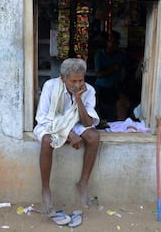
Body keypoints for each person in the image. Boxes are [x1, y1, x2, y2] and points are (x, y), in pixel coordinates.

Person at [33, 58, 100, 215]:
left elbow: (88, 122)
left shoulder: (88, 90)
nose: (77, 85)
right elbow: (43, 118)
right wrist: (69, 134)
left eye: (81, 80)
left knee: (94, 137)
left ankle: (83, 183)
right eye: (73, 81)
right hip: (51, 124)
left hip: (75, 123)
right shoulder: (50, 86)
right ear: (63, 79)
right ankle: (45, 190)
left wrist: (78, 99)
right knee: (47, 140)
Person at [94, 30, 130, 121]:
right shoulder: (99, 55)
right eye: (112, 42)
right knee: (104, 112)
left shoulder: (120, 55)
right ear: (107, 42)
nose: (114, 45)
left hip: (116, 87)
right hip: (102, 88)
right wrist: (113, 69)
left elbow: (128, 68)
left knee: (117, 110)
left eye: (116, 43)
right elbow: (98, 74)